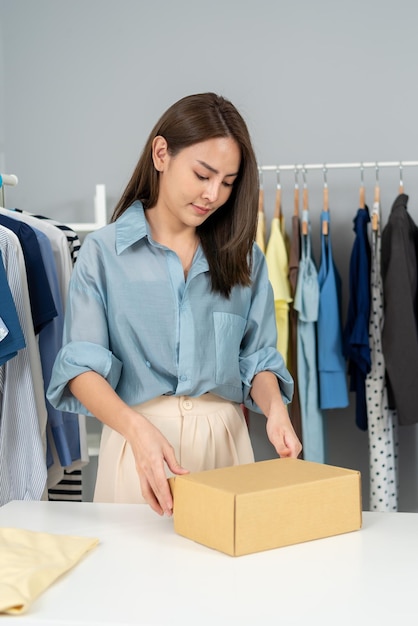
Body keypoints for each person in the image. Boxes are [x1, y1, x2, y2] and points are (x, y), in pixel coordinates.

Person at [47, 92, 302, 516]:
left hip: (225, 447)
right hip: (138, 447)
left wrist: (275, 410)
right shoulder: (104, 253)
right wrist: (137, 431)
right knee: (134, 578)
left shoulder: (245, 258)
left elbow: (257, 359)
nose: (213, 194)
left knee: (227, 580)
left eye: (227, 182)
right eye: (202, 175)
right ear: (161, 153)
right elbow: (81, 369)